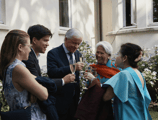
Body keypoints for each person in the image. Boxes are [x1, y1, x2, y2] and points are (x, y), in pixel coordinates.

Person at [0, 30, 48, 120]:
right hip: (29, 116)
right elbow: (44, 94)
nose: (30, 50)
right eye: (29, 46)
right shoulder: (18, 68)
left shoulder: (8, 66)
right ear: (20, 47)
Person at [103, 43, 152, 120]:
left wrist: (93, 80)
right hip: (139, 116)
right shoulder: (138, 72)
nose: (116, 57)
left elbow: (106, 97)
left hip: (127, 116)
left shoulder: (124, 74)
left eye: (118, 54)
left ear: (124, 58)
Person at [75, 41, 120, 120]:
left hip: (112, 106)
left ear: (108, 55)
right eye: (97, 52)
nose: (98, 55)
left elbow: (116, 87)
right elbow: (89, 88)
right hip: (96, 105)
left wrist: (94, 80)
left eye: (102, 53)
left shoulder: (116, 68)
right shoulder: (91, 68)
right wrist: (89, 82)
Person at [47, 28, 84, 120]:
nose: (76, 46)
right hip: (59, 101)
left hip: (74, 102)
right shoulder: (53, 53)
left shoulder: (78, 54)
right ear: (66, 39)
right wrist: (72, 67)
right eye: (74, 43)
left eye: (78, 44)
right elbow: (52, 72)